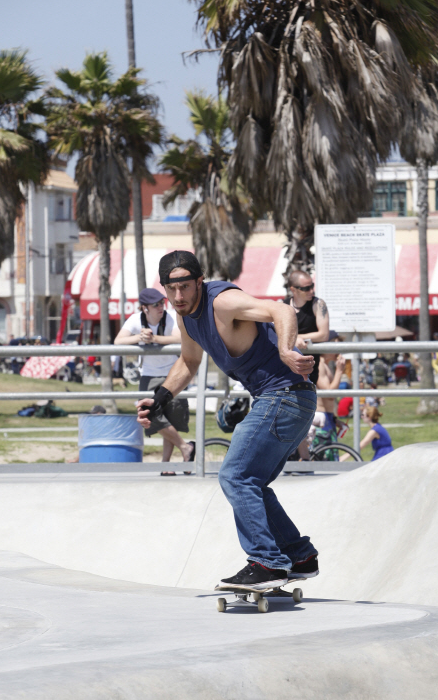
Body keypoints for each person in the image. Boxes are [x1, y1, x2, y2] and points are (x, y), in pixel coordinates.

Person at [136, 250, 318, 591]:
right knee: (251, 483)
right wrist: (160, 397)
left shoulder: (223, 301)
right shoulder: (185, 317)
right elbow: (189, 361)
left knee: (235, 476)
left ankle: (267, 561)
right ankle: (299, 556)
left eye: (186, 287)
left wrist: (285, 349)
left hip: (285, 395)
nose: (179, 297)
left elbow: (281, 310)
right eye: (172, 289)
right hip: (284, 400)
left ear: (199, 282)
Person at [115, 287, 194, 475]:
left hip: (173, 374)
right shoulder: (135, 320)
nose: (161, 307)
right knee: (149, 416)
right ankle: (186, 448)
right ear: (145, 308)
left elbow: (179, 338)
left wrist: (154, 338)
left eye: (162, 303)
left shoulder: (172, 316)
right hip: (148, 375)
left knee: (170, 419)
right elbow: (118, 341)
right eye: (156, 305)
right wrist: (138, 337)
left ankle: (166, 465)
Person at [298, 332, 345, 461]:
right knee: (324, 460)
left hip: (328, 417)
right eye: (335, 344)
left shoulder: (327, 366)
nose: (338, 349)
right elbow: (329, 394)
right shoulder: (320, 365)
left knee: (330, 459)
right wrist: (340, 372)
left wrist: (335, 419)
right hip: (321, 420)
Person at [283, 269, 329, 384]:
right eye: (306, 288)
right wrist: (295, 339)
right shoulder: (283, 306)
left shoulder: (318, 304)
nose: (311, 290)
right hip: (285, 368)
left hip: (309, 368)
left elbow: (323, 335)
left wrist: (297, 338)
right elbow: (275, 333)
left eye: (312, 286)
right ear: (293, 289)